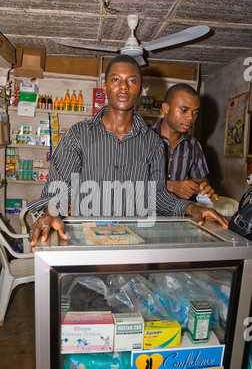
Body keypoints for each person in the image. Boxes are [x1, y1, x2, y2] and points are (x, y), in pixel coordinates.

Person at [28, 55, 228, 249]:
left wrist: (193, 208)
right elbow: (58, 187)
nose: (123, 86)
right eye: (116, 79)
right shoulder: (78, 135)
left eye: (131, 81)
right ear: (105, 86)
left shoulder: (153, 143)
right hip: (88, 240)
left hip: (134, 242)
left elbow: (157, 195)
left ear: (141, 90)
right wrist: (51, 212)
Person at [152, 83, 217, 201]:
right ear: (166, 108)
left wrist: (204, 186)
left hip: (179, 215)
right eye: (184, 110)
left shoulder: (193, 146)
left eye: (195, 112)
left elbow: (200, 179)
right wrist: (172, 186)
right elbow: (128, 182)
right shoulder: (142, 139)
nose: (190, 118)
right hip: (146, 215)